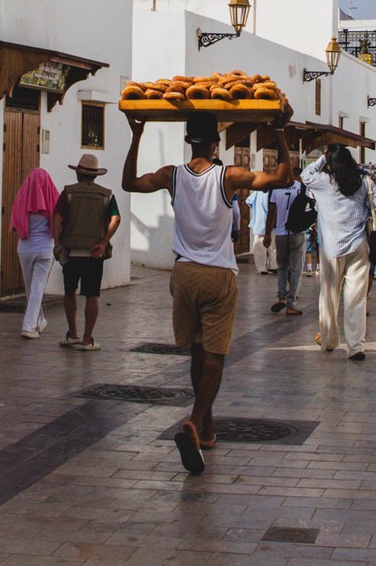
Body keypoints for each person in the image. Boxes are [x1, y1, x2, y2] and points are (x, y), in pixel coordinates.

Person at [123, 112, 293, 474]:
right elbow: (283, 178)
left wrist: (137, 135)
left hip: (183, 273)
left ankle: (207, 428)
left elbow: (129, 183)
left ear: (188, 140)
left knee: (197, 353)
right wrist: (279, 132)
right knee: (215, 356)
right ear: (215, 143)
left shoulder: (172, 175)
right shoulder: (228, 176)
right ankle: (195, 421)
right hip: (218, 275)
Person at [301, 148, 376, 360]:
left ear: (329, 162)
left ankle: (329, 340)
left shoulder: (322, 181)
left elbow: (305, 175)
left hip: (331, 247)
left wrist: (322, 158)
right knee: (356, 298)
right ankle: (356, 347)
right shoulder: (364, 181)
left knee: (328, 295)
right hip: (358, 244)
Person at [52, 154, 119, 350]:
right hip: (94, 254)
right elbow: (116, 219)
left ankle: (72, 333)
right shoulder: (106, 195)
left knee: (69, 292)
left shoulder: (68, 192)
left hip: (70, 251)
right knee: (92, 296)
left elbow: (56, 216)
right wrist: (103, 243)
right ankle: (87, 339)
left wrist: (57, 243)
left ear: (78, 173)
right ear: (95, 175)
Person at [8, 162, 60, 339]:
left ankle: (39, 320)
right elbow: (60, 221)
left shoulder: (21, 200)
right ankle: (29, 326)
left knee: (31, 289)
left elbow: (16, 225)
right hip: (45, 249)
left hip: (25, 249)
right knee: (37, 288)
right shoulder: (53, 198)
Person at [263, 172, 304, 315]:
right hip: (297, 232)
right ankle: (290, 304)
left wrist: (267, 234)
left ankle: (281, 297)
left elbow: (271, 212)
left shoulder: (275, 188)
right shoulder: (301, 188)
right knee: (295, 270)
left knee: (281, 267)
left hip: (280, 233)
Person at [246, 186, 272, 274]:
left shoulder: (257, 193)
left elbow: (248, 201)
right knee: (271, 246)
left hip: (258, 222)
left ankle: (262, 268)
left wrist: (256, 209)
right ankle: (272, 266)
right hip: (269, 223)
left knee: (260, 247)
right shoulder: (271, 193)